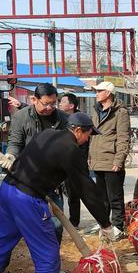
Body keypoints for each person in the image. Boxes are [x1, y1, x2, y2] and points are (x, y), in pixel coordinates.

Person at [0, 113, 115, 273]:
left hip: (8, 189)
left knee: (0, 243)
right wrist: (105, 223)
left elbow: (37, 162)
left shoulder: (46, 134)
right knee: (48, 255)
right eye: (88, 135)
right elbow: (85, 189)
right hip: (27, 200)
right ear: (78, 131)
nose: (87, 140)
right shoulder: (70, 149)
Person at [0, 83, 69, 246]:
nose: (50, 108)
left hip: (51, 183)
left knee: (56, 226)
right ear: (34, 100)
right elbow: (15, 142)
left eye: (54, 103)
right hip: (25, 181)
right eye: (46, 104)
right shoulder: (21, 117)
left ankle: (52, 263)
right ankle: (0, 266)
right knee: (11, 229)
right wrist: (10, 154)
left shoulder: (64, 120)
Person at [89, 81, 130, 239]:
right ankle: (104, 225)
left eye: (99, 91)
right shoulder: (95, 110)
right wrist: (89, 157)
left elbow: (123, 138)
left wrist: (119, 160)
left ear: (108, 93)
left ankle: (118, 227)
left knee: (115, 197)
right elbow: (91, 136)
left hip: (112, 160)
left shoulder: (121, 112)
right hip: (97, 160)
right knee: (101, 198)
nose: (96, 93)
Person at [58, 93, 83, 230]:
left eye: (62, 102)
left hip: (73, 163)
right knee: (59, 193)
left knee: (74, 194)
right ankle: (59, 220)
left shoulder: (80, 121)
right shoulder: (59, 118)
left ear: (71, 105)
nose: (60, 104)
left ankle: (74, 222)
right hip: (58, 163)